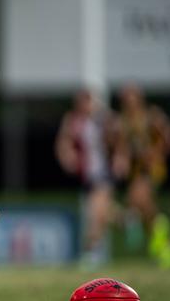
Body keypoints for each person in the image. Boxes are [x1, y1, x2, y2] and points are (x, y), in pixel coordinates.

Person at [115, 83, 170, 269]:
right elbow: (123, 148)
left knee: (135, 198)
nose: (129, 102)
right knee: (142, 206)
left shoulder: (152, 115)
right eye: (126, 99)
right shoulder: (124, 121)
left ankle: (149, 227)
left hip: (152, 168)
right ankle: (165, 242)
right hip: (137, 170)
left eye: (131, 98)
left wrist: (157, 152)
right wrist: (122, 160)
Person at [55, 89, 121, 269]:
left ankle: (91, 253)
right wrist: (67, 156)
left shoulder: (104, 120)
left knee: (95, 213)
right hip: (88, 176)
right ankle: (128, 219)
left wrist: (119, 160)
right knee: (104, 212)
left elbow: (119, 140)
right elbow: (63, 143)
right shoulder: (73, 121)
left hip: (104, 173)